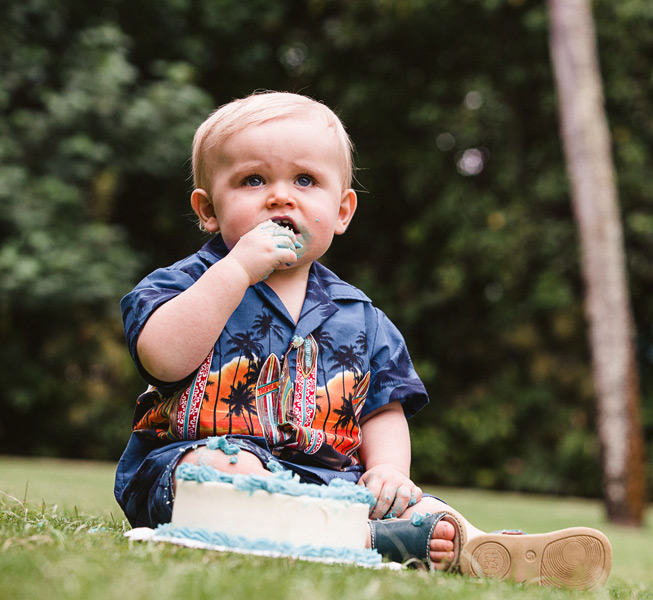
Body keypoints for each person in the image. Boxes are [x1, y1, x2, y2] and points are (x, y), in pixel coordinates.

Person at [114, 91, 611, 588]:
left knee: (415, 505)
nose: (280, 196)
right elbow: (163, 359)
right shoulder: (181, 286)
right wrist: (238, 269)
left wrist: (390, 472)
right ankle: (376, 541)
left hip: (331, 485)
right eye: (253, 180)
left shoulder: (362, 318)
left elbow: (382, 408)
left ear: (342, 211)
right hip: (192, 466)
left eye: (305, 180)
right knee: (225, 471)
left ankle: (474, 542)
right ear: (208, 210)